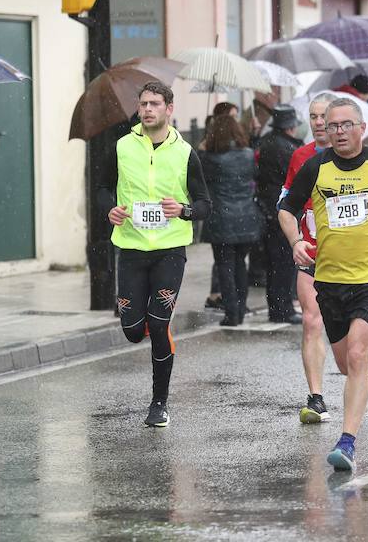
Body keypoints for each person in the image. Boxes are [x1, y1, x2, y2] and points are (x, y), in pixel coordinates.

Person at [278, 97, 368, 470]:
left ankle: (347, 442)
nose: (337, 131)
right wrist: (295, 243)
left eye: (345, 124)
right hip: (329, 279)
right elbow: (286, 208)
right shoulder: (315, 168)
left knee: (355, 356)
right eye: (331, 124)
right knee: (345, 365)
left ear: (362, 128)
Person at [104, 81, 211, 427]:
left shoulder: (185, 152)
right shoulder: (121, 147)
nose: (147, 109)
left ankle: (159, 403)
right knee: (133, 330)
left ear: (169, 109)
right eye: (143, 103)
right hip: (132, 248)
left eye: (154, 103)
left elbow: (205, 204)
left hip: (169, 251)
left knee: (159, 324)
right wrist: (110, 210)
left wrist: (183, 209)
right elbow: (103, 187)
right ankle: (146, 324)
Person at [281, 92, 336, 423]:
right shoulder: (300, 156)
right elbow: (285, 203)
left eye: (323, 117)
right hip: (312, 252)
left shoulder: (359, 158)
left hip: (350, 258)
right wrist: (296, 239)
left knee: (345, 334)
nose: (318, 122)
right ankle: (316, 398)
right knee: (312, 322)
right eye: (313, 116)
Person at [200, 115, 263, 326]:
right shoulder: (247, 155)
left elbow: (200, 176)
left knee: (224, 266)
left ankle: (231, 313)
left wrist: (201, 149)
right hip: (246, 217)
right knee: (239, 265)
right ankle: (240, 309)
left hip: (222, 218)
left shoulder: (210, 158)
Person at [256, 104, 304, 324]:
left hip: (266, 207)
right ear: (291, 127)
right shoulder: (289, 149)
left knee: (274, 262)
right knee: (284, 261)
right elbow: (295, 180)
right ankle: (282, 308)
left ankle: (276, 307)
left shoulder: (263, 142)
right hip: (284, 209)